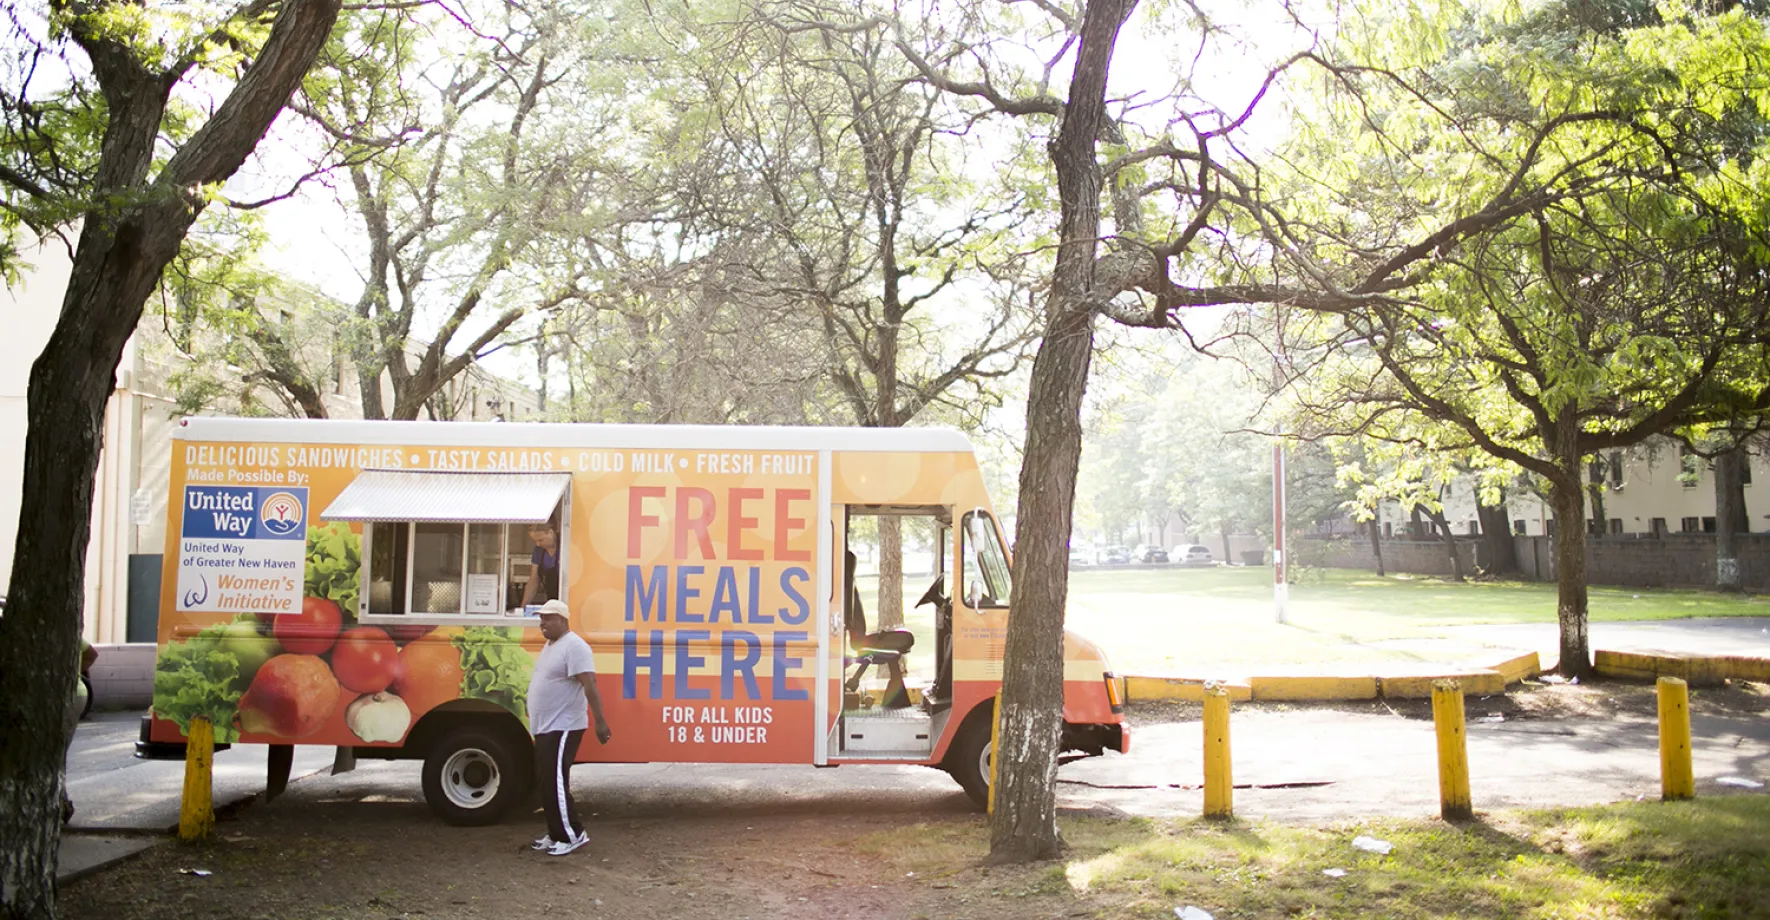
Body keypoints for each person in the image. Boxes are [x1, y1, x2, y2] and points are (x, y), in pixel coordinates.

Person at [527, 599, 610, 856]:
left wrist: (600, 721)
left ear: (563, 620)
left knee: (555, 783)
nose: (543, 623)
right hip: (546, 727)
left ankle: (572, 835)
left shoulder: (575, 646)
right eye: (541, 618)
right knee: (546, 782)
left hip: (563, 727)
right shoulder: (552, 645)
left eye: (549, 618)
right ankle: (556, 834)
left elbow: (590, 684)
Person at [63, 638, 97, 823]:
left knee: (50, 753)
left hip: (62, 695)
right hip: (77, 693)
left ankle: (60, 804)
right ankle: (61, 804)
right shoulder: (65, 627)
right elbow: (91, 654)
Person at [521, 521, 560, 607]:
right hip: (551, 601)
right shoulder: (539, 550)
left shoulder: (566, 545)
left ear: (550, 532)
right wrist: (522, 608)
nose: (538, 544)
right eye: (535, 541)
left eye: (540, 540)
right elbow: (534, 580)